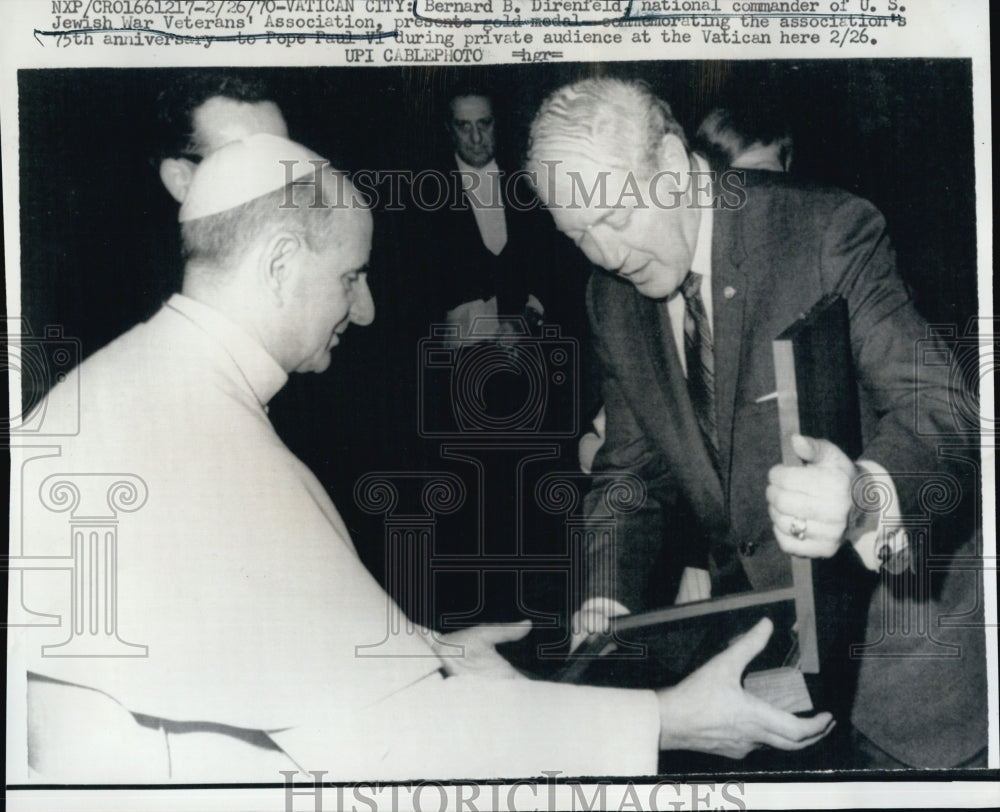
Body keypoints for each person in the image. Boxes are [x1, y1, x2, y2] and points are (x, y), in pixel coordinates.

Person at [17, 133, 834, 782]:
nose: (366, 309)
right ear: (277, 266)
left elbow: (266, 650)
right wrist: (672, 720)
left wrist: (421, 656)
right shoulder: (206, 436)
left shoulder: (142, 381)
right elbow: (385, 744)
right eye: (351, 277)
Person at [526, 78, 985, 768]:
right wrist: (604, 595)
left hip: (915, 665)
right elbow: (630, 473)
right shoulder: (609, 300)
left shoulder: (821, 231)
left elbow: (947, 411)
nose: (606, 256)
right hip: (775, 672)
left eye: (616, 218)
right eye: (577, 235)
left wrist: (862, 495)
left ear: (676, 167)